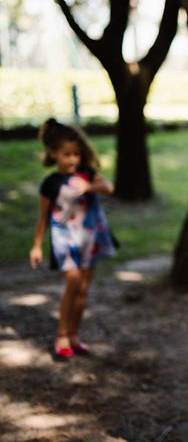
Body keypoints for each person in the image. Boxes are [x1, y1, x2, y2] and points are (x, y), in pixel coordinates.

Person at [29, 118, 117, 359]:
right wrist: (37, 245)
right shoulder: (51, 184)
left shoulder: (86, 174)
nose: (72, 159)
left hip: (90, 238)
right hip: (65, 239)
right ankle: (62, 335)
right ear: (53, 153)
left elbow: (109, 187)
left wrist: (89, 187)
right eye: (67, 154)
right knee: (73, 281)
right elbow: (43, 217)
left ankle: (75, 335)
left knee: (84, 288)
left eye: (76, 154)